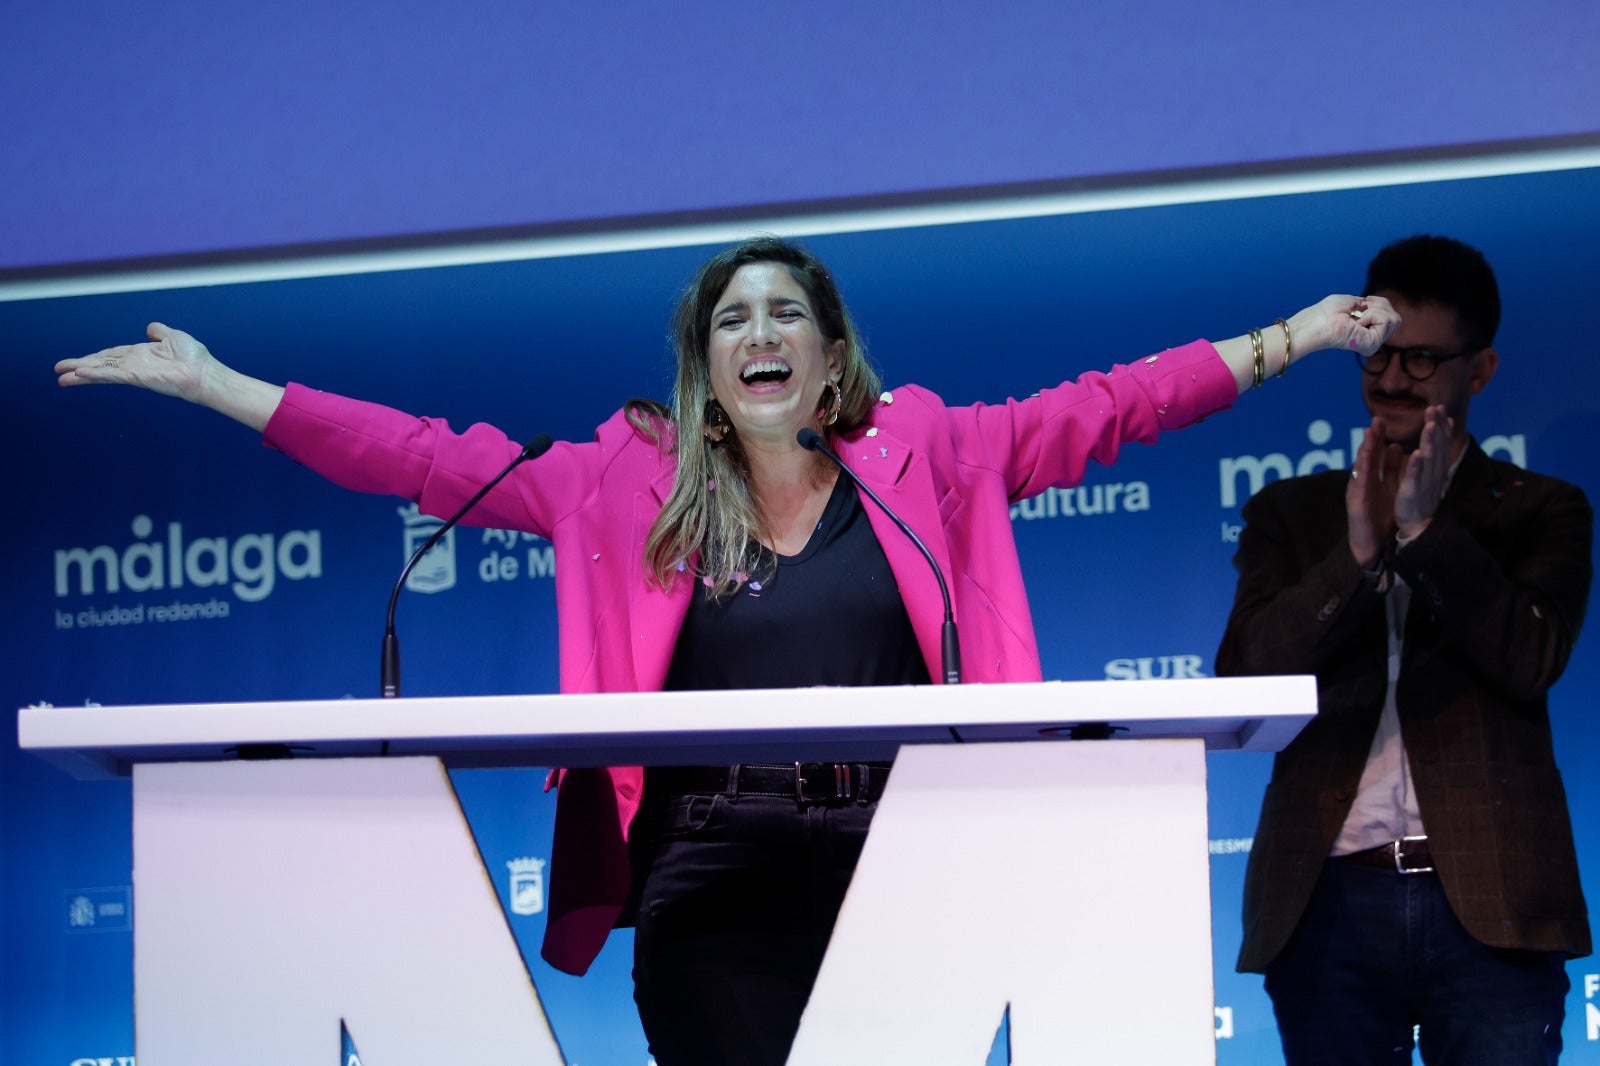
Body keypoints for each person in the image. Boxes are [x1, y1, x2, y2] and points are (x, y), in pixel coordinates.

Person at [59, 236, 1395, 1066]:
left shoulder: (931, 451)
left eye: (782, 316)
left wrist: (1299, 335)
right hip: (711, 869)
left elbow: (1114, 408)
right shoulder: (616, 481)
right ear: (707, 363)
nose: (757, 335)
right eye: (730, 320)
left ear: (829, 358)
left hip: (908, 859)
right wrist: (223, 386)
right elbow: (423, 455)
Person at [1217, 235, 1592, 1064]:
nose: (1390, 380)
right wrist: (1353, 559)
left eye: (1422, 361)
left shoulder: (1541, 511)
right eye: (1379, 355)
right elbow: (1244, 678)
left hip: (1493, 902)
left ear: (1480, 370)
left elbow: (1531, 658)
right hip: (1327, 900)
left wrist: (1426, 534)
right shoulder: (1292, 514)